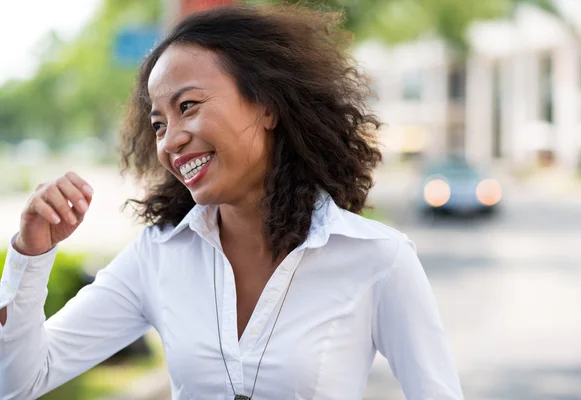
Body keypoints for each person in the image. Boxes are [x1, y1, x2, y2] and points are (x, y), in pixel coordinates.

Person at [0, 5, 463, 400]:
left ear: (266, 106)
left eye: (189, 106)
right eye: (158, 123)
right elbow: (19, 381)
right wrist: (30, 251)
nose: (171, 141)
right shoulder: (157, 256)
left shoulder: (378, 256)